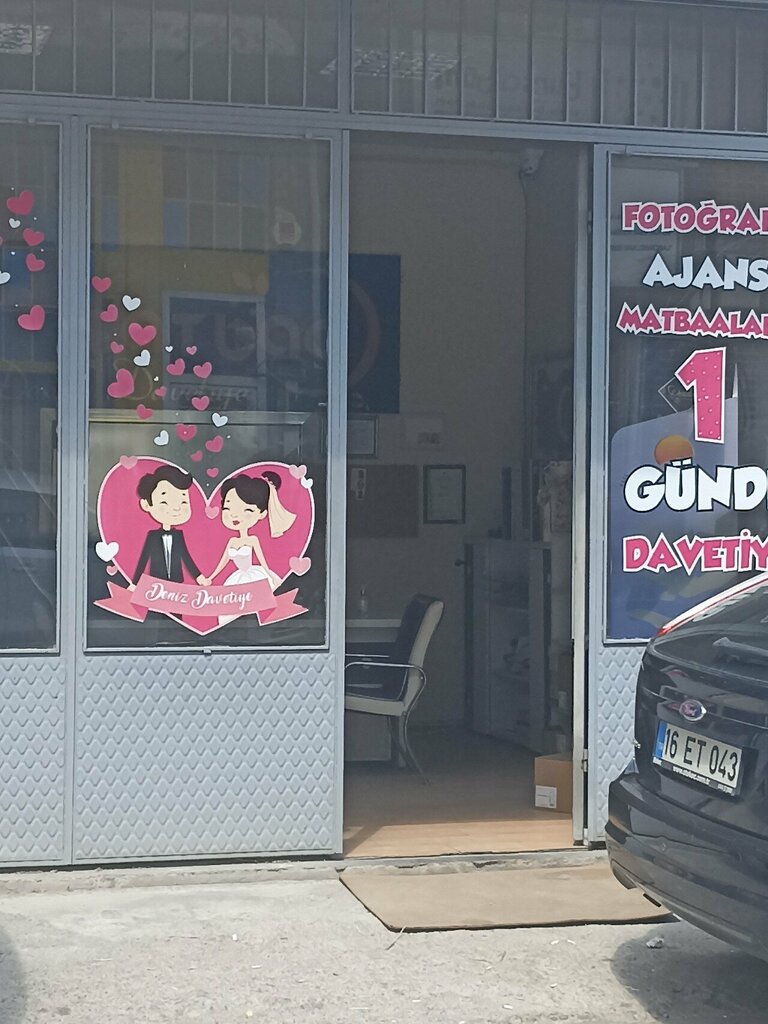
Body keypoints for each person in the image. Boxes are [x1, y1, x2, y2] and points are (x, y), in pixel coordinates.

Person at [199, 471, 296, 624]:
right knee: (231, 613)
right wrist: (210, 577)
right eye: (228, 508)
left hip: (253, 577)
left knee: (256, 610)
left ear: (262, 514)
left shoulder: (253, 540)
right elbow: (223, 562)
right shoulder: (232, 541)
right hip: (236, 580)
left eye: (247, 510)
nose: (235, 515)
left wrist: (270, 577)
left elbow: (262, 561)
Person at [130, 465, 206, 590]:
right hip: (156, 585)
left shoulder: (178, 536)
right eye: (164, 502)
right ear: (146, 504)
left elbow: (186, 557)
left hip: (176, 583)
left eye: (183, 502)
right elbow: (144, 559)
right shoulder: (152, 536)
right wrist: (134, 583)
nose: (176, 508)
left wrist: (198, 577)